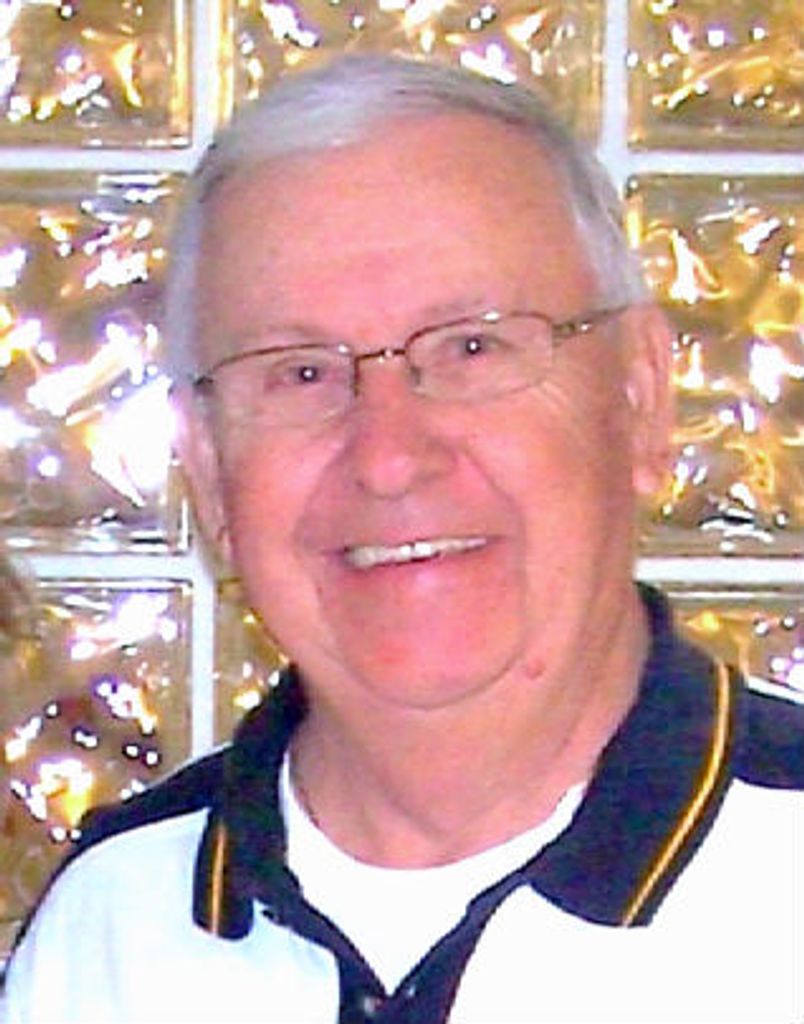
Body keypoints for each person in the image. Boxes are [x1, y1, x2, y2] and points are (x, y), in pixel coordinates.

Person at [2, 54, 801, 1024]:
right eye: (299, 372)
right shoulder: (109, 929)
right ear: (207, 470)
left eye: (472, 346)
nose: (388, 456)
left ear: (638, 398)